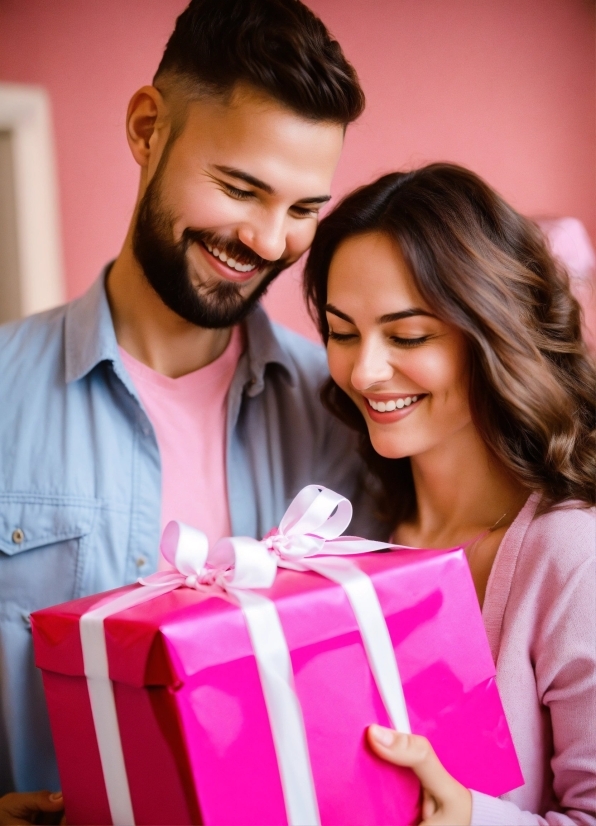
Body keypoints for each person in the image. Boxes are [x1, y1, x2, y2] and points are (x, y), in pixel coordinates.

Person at [0, 0, 385, 819]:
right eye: (241, 188)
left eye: (303, 209)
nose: (272, 241)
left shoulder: (350, 415)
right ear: (147, 129)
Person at [304, 163, 596, 826]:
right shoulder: (348, 528)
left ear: (494, 332)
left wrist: (468, 816)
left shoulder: (571, 553)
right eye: (342, 333)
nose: (366, 370)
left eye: (408, 335)